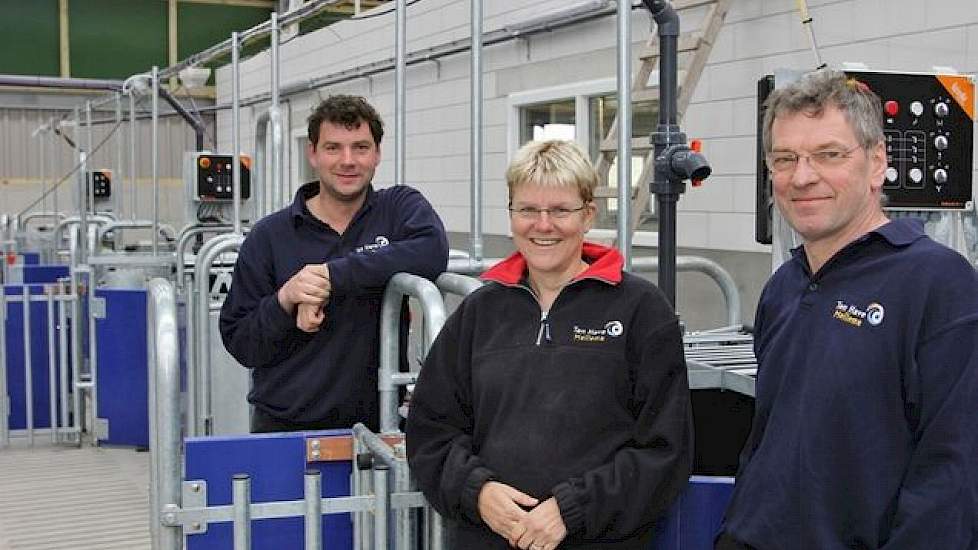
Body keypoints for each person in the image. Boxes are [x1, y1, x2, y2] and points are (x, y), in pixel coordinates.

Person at [717, 70, 978, 549]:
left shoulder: (938, 284)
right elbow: (766, 444)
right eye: (784, 158)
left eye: (829, 155)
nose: (802, 176)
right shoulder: (784, 287)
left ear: (877, 162)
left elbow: (952, 474)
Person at [406, 139, 693, 549]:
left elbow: (665, 451)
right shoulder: (478, 313)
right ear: (510, 216)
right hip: (486, 539)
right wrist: (478, 493)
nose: (543, 225)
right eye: (528, 210)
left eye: (560, 210)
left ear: (588, 215)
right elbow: (431, 432)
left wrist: (572, 509)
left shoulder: (641, 311)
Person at [219, 94, 448, 433]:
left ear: (377, 154)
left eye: (360, 147)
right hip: (286, 431)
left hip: (379, 431)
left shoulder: (397, 209)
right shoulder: (271, 235)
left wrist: (330, 275)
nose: (347, 160)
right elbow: (241, 341)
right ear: (312, 153)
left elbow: (431, 250)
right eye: (333, 148)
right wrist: (286, 299)